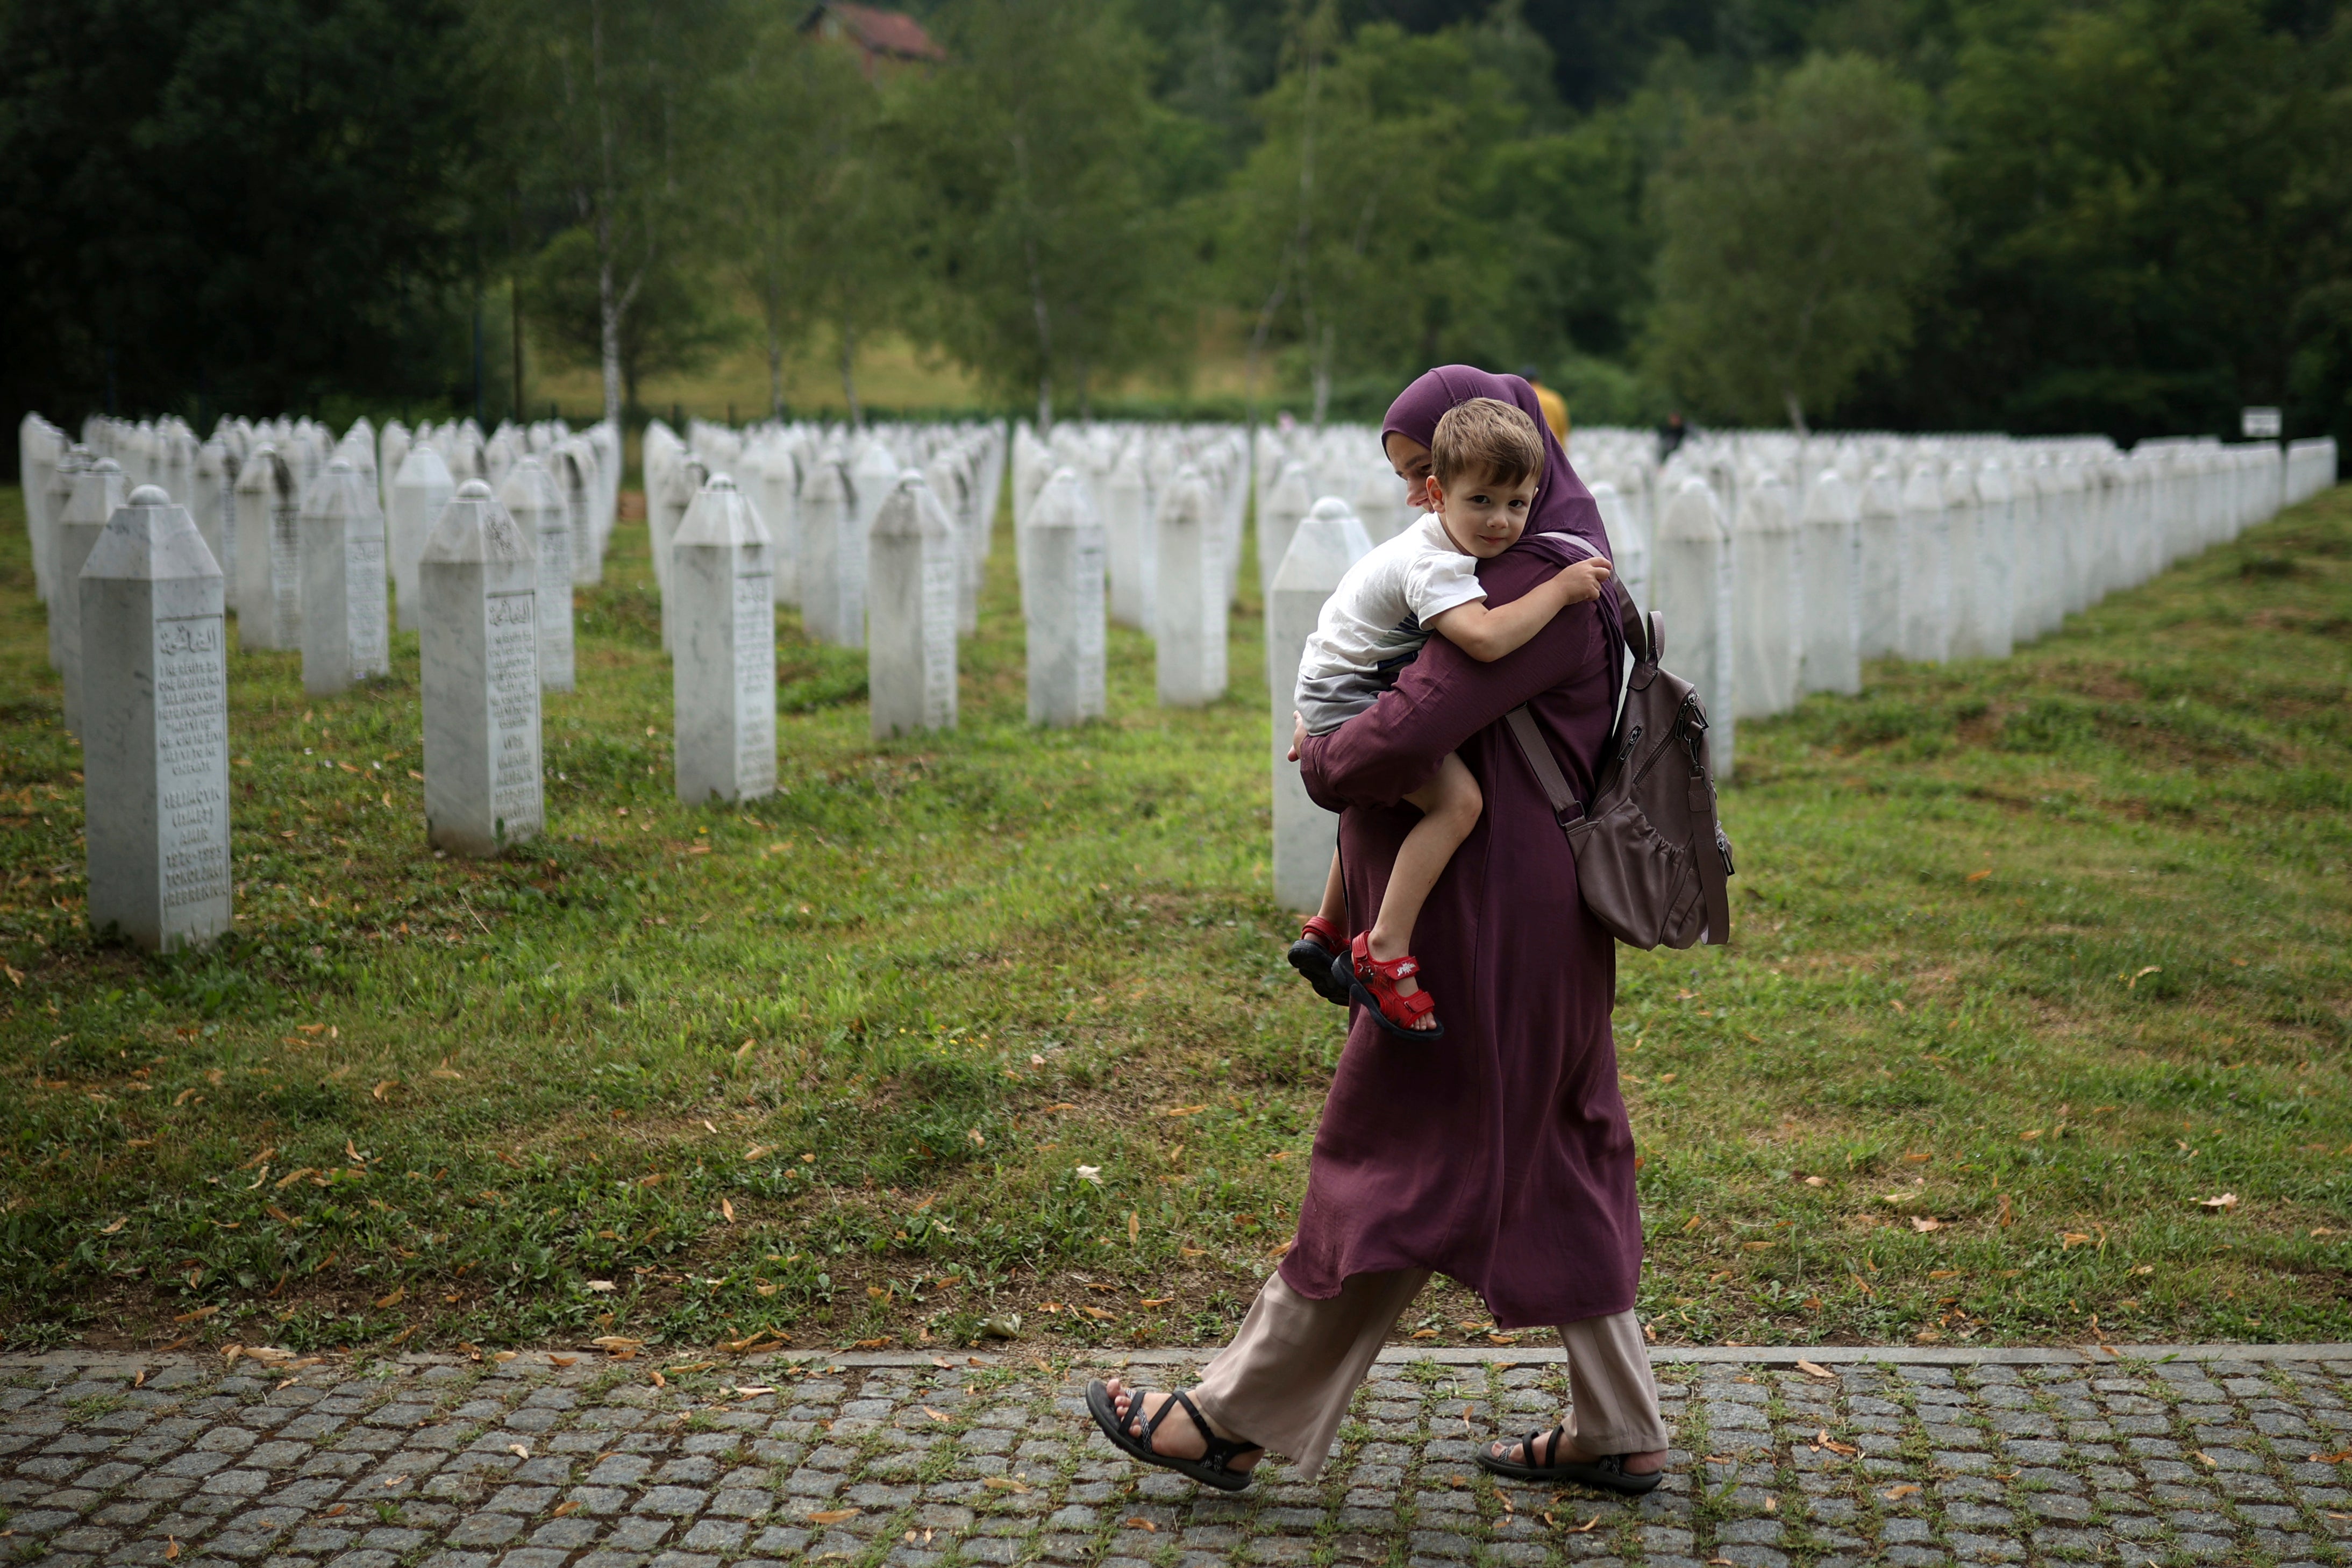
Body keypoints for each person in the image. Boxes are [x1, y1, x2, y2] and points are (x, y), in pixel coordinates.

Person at [1086, 366, 1671, 1497]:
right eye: (1421, 479)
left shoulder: (1537, 577)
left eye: (1429, 476)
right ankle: (1619, 1423)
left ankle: (1230, 1418)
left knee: (1392, 1152)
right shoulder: (1554, 552)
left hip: (1486, 917)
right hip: (1533, 909)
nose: (1428, 500)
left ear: (1517, 476)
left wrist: (1319, 757)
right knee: (1557, 1144)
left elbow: (1401, 734)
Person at [1285, 398, 1612, 1037]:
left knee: (1384, 795)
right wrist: (1560, 589)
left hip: (1336, 681)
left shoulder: (1431, 539)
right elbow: (1484, 640)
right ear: (1437, 494)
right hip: (1350, 691)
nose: (1501, 522)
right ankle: (1381, 947)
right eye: (1482, 502)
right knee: (1458, 803)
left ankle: (1327, 924)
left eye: (1518, 505)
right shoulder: (1433, 562)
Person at [1520, 364, 1570, 443]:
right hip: (1554, 446)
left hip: (1532, 448)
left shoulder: (1522, 399)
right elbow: (1563, 427)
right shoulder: (1554, 398)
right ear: (1538, 380)